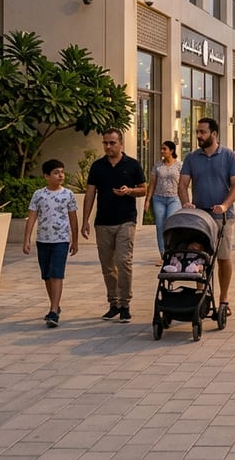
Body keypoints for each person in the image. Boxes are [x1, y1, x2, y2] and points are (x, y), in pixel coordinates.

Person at [178, 117, 235, 316]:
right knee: (198, 256)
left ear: (214, 134)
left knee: (223, 257)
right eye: (197, 132)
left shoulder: (230, 156)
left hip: (222, 217)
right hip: (199, 217)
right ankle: (200, 296)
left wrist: (224, 205)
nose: (198, 136)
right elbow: (182, 184)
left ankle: (224, 299)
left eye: (202, 132)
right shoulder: (191, 158)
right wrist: (186, 203)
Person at [82, 129, 146, 323]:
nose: (108, 146)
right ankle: (114, 303)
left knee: (123, 261)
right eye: (105, 143)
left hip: (126, 220)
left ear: (121, 144)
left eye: (112, 143)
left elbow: (144, 189)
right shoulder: (97, 167)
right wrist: (85, 220)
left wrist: (129, 191)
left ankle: (125, 304)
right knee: (107, 265)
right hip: (103, 222)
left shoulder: (132, 165)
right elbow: (90, 193)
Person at [22, 159, 79, 328]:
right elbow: (32, 216)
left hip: (61, 240)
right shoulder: (39, 194)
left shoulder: (68, 194)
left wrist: (75, 240)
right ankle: (55, 304)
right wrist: (26, 239)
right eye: (56, 172)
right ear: (46, 176)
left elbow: (73, 218)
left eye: (62, 171)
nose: (60, 175)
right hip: (43, 240)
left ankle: (53, 310)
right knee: (47, 275)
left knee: (56, 274)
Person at [144, 140, 182, 262]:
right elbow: (152, 183)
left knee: (171, 225)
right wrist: (147, 200)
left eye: (164, 149)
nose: (162, 151)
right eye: (161, 149)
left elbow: (183, 185)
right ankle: (163, 255)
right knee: (160, 226)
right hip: (158, 198)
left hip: (174, 198)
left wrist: (185, 201)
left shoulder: (179, 165)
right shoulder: (158, 165)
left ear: (171, 151)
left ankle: (172, 252)